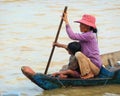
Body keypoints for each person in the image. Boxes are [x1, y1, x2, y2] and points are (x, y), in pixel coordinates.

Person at [62, 13, 102, 79]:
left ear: (87, 27)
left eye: (81, 24)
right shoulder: (85, 36)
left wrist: (66, 21)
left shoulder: (89, 35)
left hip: (94, 68)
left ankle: (89, 74)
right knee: (75, 55)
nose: (79, 26)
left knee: (78, 54)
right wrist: (59, 45)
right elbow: (74, 47)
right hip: (88, 65)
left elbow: (72, 36)